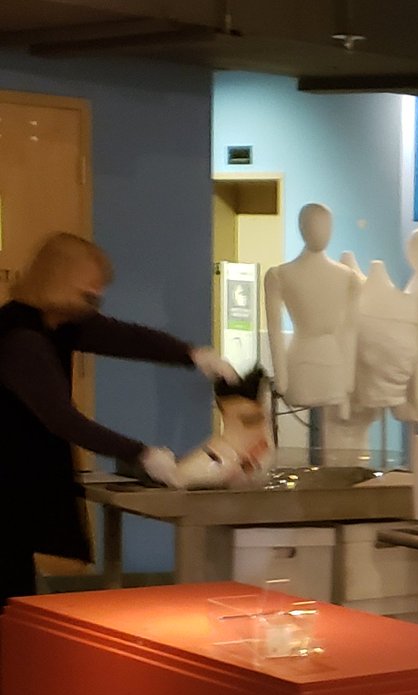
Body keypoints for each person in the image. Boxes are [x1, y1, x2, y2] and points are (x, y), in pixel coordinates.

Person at [0, 231, 240, 610]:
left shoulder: (60, 322)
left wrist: (193, 355)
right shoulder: (22, 339)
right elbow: (64, 420)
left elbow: (127, 338)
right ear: (61, 282)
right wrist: (141, 453)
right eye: (90, 290)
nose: (97, 297)